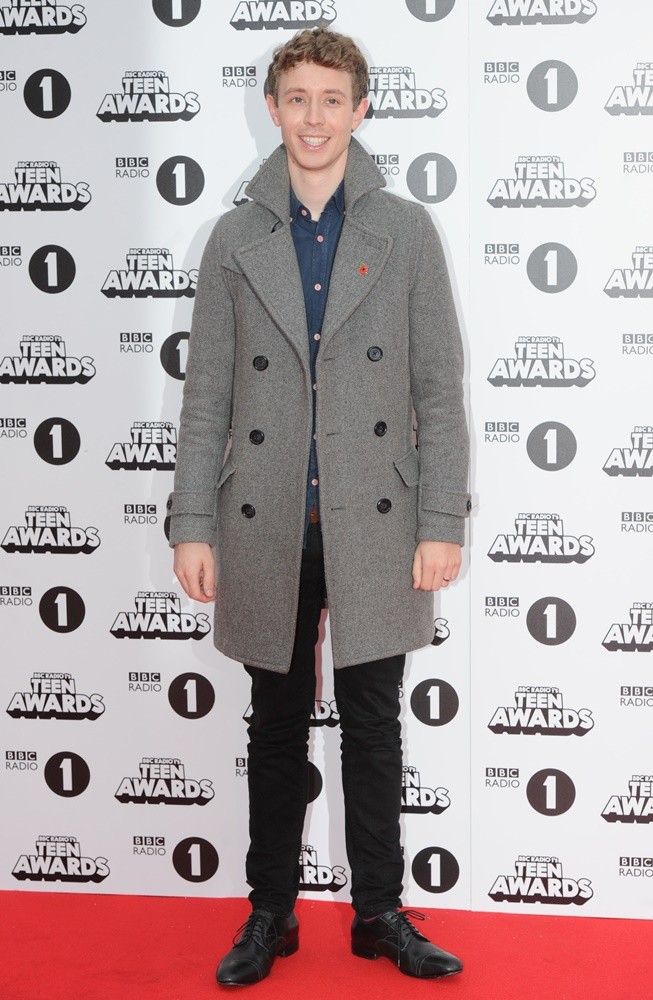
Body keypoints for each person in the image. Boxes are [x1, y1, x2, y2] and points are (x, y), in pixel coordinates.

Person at [168, 27, 470, 986]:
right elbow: (206, 395)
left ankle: (379, 910)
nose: (313, 117)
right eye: (296, 98)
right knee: (275, 724)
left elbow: (438, 390)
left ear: (360, 109)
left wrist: (439, 523)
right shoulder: (233, 237)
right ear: (271, 106)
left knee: (376, 723)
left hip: (374, 516)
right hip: (264, 518)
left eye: (331, 99)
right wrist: (190, 522)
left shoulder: (405, 230)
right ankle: (271, 913)